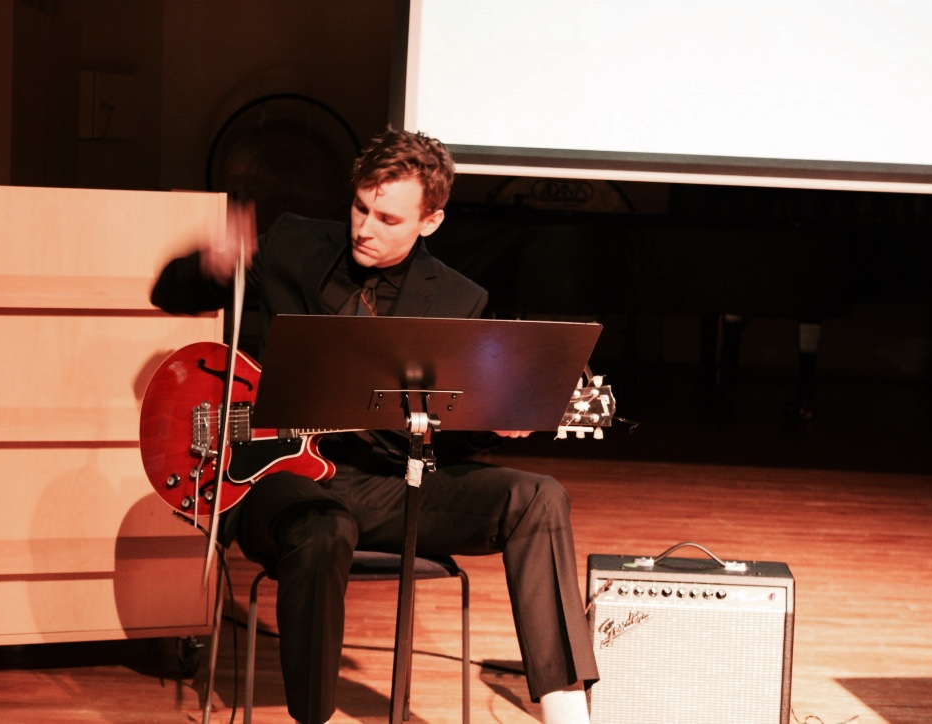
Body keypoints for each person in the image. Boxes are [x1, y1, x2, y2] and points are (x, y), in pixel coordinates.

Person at [151, 128, 598, 724]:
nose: (365, 228)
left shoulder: (457, 300)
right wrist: (210, 264)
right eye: (360, 208)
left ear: (430, 221)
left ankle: (567, 711)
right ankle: (313, 717)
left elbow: (444, 431)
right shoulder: (293, 243)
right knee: (323, 529)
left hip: (389, 485)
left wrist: (496, 424)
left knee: (538, 497)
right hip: (276, 478)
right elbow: (169, 291)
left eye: (388, 219)